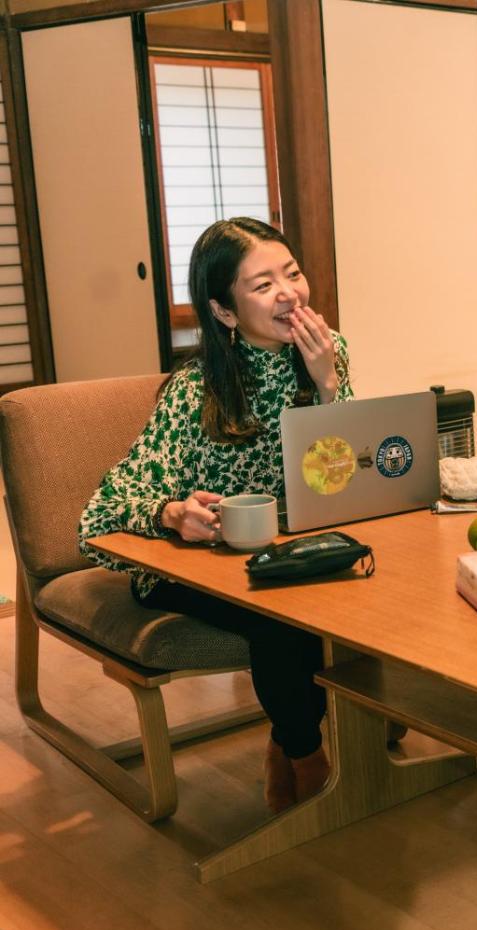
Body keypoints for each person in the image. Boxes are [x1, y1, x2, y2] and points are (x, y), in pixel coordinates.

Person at [79, 217, 352, 814]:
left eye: (293, 274)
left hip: (291, 552)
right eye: (263, 285)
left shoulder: (325, 354)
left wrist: (328, 386)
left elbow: (339, 479)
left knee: (356, 587)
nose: (290, 294)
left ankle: (291, 741)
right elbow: (101, 512)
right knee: (284, 618)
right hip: (196, 567)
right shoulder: (194, 389)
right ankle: (306, 756)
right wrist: (172, 513)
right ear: (224, 311)